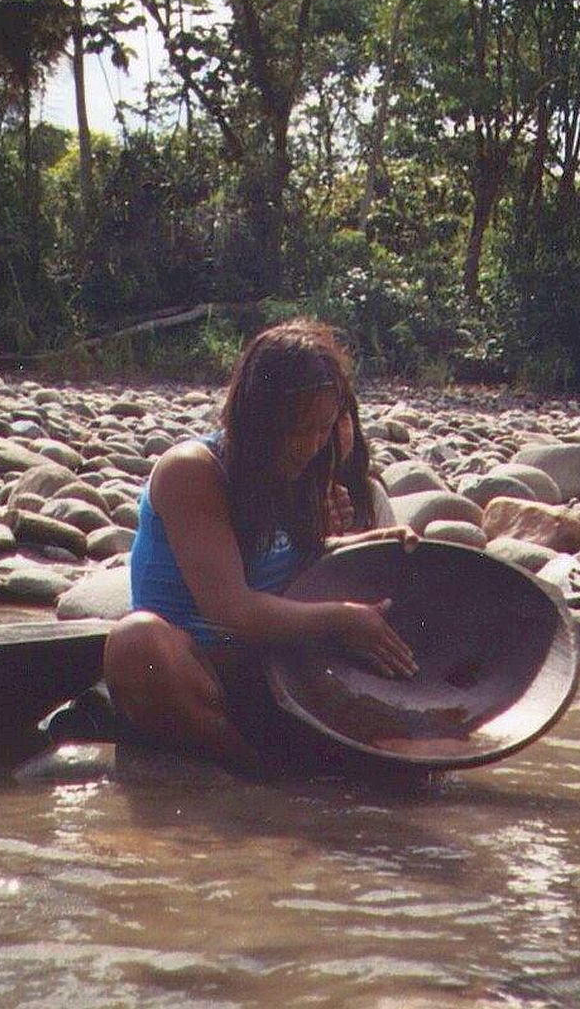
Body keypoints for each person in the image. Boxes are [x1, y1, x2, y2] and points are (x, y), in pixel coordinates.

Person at [104, 319, 418, 775]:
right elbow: (230, 609)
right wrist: (344, 619)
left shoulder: (299, 470)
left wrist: (366, 545)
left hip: (277, 676)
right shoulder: (191, 472)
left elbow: (283, 569)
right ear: (256, 418)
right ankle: (253, 771)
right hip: (201, 678)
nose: (311, 446)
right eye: (297, 429)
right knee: (136, 642)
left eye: (323, 428)